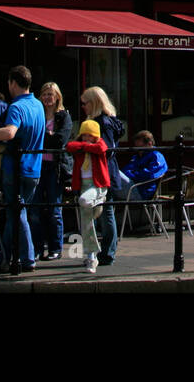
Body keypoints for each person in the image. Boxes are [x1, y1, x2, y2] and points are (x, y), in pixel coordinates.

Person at [0, 66, 46, 272]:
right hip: (34, 168)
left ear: (13, 83)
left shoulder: (16, 107)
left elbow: (10, 133)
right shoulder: (38, 105)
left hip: (16, 168)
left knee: (17, 214)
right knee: (18, 213)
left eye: (9, 83)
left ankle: (25, 259)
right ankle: (6, 258)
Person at [80, 85, 125, 265]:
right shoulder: (109, 120)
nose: (83, 106)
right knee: (104, 211)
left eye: (85, 103)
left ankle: (107, 253)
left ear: (94, 103)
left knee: (106, 211)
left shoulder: (102, 123)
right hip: (106, 171)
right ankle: (105, 251)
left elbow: (106, 149)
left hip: (102, 172)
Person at [32, 82, 72, 261]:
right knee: (35, 209)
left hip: (54, 167)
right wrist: (48, 137)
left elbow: (60, 140)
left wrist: (45, 137)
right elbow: (32, 137)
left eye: (51, 94)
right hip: (37, 166)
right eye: (44, 94)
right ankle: (37, 248)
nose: (47, 98)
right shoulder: (37, 115)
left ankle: (56, 248)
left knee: (54, 209)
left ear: (57, 97)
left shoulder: (63, 116)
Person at [66, 120, 110, 274]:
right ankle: (91, 256)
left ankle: (98, 201)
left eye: (89, 135)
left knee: (84, 201)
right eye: (84, 135)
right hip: (83, 185)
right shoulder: (81, 146)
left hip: (97, 185)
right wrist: (85, 146)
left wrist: (85, 147)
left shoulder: (99, 145)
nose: (86, 138)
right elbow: (69, 146)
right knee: (86, 222)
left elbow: (101, 148)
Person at [119, 130, 166, 232]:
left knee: (112, 172)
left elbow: (149, 174)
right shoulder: (136, 157)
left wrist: (134, 174)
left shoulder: (156, 156)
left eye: (140, 148)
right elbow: (126, 170)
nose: (138, 151)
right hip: (133, 186)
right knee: (113, 175)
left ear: (149, 144)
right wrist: (135, 174)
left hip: (142, 191)